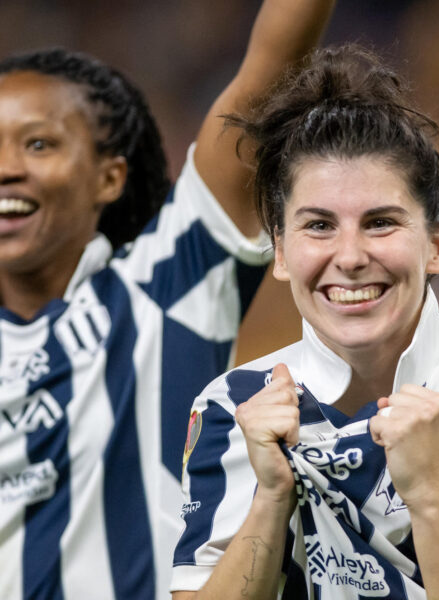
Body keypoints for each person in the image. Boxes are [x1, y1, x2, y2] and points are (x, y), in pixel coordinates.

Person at [171, 44, 439, 599]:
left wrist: (429, 493)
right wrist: (271, 496)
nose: (350, 256)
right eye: (319, 225)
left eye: (380, 223)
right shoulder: (231, 409)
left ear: (437, 245)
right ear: (280, 252)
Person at [0, 2, 336, 599]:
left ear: (110, 177)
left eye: (39, 144)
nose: (5, 169)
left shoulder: (167, 283)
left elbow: (271, 67)